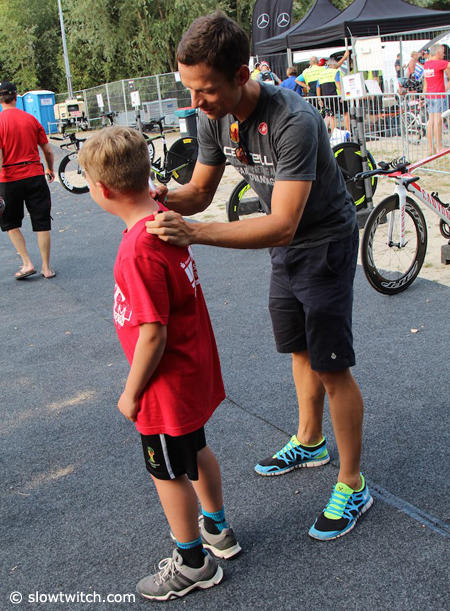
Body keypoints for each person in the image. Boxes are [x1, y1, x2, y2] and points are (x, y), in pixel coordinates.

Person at [146, 11, 373, 542]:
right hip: (285, 248)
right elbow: (199, 191)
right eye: (189, 89)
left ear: (242, 74)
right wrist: (158, 199)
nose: (196, 102)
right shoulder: (213, 116)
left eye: (205, 90)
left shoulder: (294, 120)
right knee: (299, 350)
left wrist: (196, 233)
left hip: (323, 243)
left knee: (332, 366)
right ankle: (310, 441)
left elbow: (283, 223)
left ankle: (353, 482)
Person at [78, 126, 240, 601]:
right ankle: (217, 529)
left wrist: (131, 393)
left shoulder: (137, 248)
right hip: (188, 370)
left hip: (164, 386)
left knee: (167, 471)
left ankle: (193, 563)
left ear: (103, 190)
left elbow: (153, 332)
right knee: (196, 449)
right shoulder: (165, 219)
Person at [0, 81, 56, 279]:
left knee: (10, 222)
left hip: (8, 179)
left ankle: (27, 263)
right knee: (42, 221)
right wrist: (50, 168)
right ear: (16, 97)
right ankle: (46, 268)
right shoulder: (31, 119)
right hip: (34, 175)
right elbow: (47, 150)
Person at [423, 44, 450, 155]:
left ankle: (431, 148)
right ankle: (439, 147)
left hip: (429, 95)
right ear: (438, 53)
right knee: (438, 121)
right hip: (438, 96)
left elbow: (425, 81)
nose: (444, 55)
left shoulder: (427, 64)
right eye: (443, 53)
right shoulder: (439, 63)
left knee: (431, 122)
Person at [317, 52, 350, 132]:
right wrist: (343, 95)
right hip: (337, 96)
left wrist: (319, 99)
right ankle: (348, 131)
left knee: (332, 116)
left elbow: (318, 87)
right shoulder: (335, 72)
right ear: (333, 65)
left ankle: (333, 133)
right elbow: (338, 84)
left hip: (327, 98)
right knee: (345, 113)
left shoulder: (321, 74)